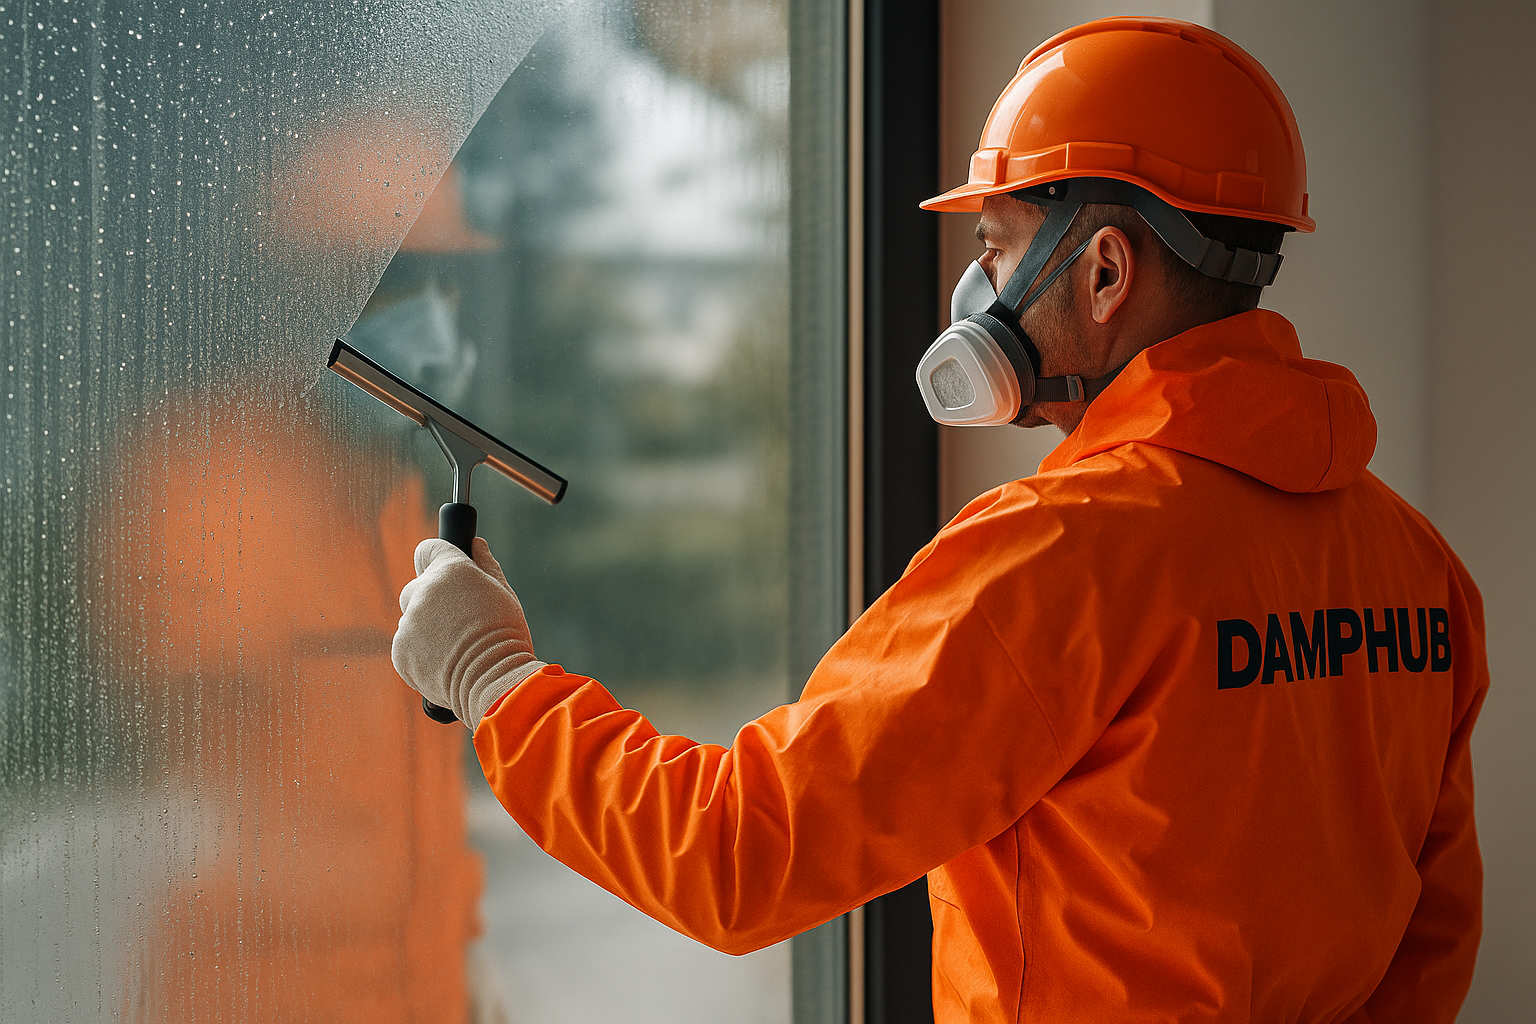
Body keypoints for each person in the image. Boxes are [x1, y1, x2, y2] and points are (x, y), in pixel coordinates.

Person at [390, 18, 1488, 1023]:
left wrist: (494, 680)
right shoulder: (1415, 563)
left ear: (1105, 270)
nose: (981, 294)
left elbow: (735, 858)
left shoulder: (1061, 557)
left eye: (1001, 249)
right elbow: (1430, 947)